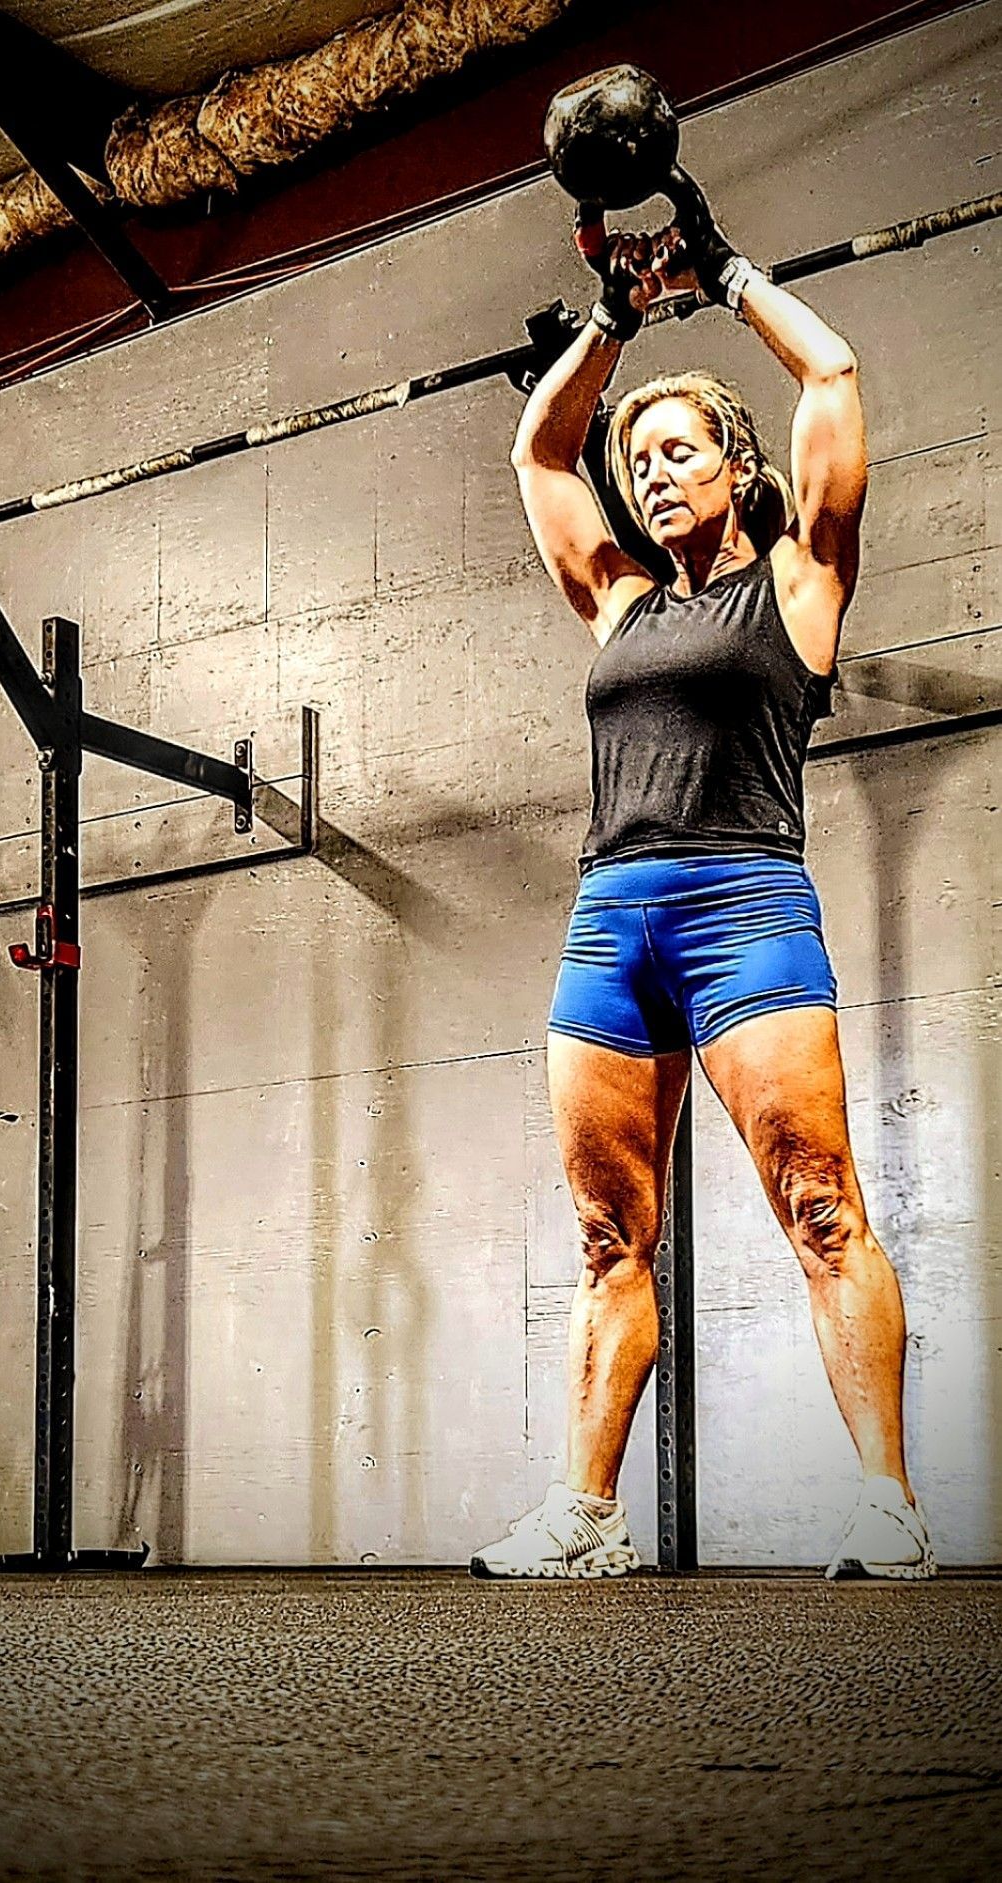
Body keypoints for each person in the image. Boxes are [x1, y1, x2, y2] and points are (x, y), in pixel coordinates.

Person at [471, 194, 936, 1580]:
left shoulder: (799, 587)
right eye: (643, 459)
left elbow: (834, 377)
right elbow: (536, 448)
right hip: (614, 915)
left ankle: (887, 1505)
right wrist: (614, 314)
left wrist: (722, 270)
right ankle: (588, 1517)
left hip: (747, 909)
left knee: (820, 1206)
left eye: (681, 450)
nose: (656, 471)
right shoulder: (617, 598)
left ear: (738, 466)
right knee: (610, 1236)